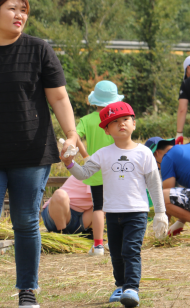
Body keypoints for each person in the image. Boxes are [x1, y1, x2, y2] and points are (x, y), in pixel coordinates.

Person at [0, 0, 79, 308]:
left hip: (31, 151)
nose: (20, 15)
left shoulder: (39, 50)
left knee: (25, 220)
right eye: (13, 9)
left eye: (23, 10)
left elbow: (58, 96)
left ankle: (27, 291)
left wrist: (71, 133)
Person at [62, 101, 168, 307]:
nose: (121, 124)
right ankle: (120, 286)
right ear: (107, 130)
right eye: (115, 122)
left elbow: (154, 184)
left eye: (126, 119)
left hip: (136, 212)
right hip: (112, 213)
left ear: (134, 124)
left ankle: (132, 288)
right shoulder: (103, 154)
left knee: (131, 250)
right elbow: (84, 174)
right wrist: (69, 163)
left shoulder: (144, 153)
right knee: (117, 252)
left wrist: (160, 213)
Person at [74, 80, 125, 256]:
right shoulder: (117, 120)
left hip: (96, 168)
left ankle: (98, 246)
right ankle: (115, 243)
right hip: (117, 168)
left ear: (94, 100)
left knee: (98, 207)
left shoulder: (86, 120)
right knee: (117, 207)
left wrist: (85, 155)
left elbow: (75, 136)